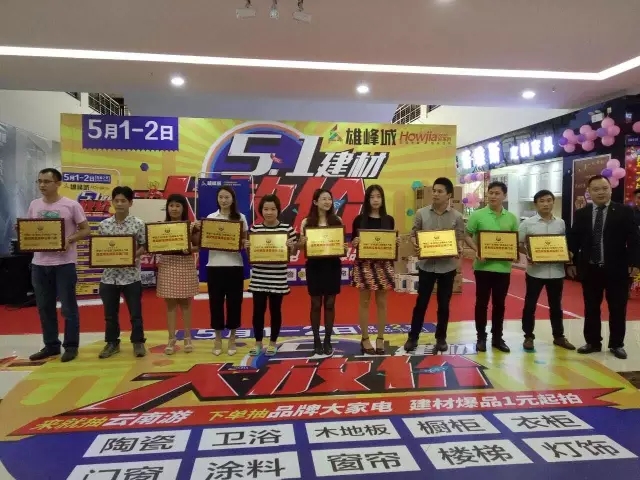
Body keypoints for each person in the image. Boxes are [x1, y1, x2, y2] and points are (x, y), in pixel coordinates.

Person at [567, 175, 640, 359]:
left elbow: (634, 240)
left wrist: (635, 263)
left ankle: (617, 344)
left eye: (604, 188)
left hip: (617, 270)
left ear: (611, 189)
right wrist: (570, 262)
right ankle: (593, 342)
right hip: (590, 269)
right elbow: (574, 240)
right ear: (589, 192)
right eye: (596, 189)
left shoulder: (624, 212)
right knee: (591, 307)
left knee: (618, 308)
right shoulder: (582, 214)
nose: (601, 192)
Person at [27, 168, 91, 362]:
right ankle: (51, 345)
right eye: (39, 181)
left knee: (68, 308)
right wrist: (22, 232)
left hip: (64, 264)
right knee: (44, 307)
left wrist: (69, 239)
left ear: (58, 183)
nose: (42, 185)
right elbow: (31, 228)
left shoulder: (71, 205)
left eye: (46, 181)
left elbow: (85, 230)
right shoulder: (34, 204)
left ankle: (71, 346)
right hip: (39, 264)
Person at [404, 177, 464, 353]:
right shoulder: (421, 213)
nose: (435, 194)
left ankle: (441, 338)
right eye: (434, 191)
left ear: (449, 195)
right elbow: (413, 234)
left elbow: (459, 238)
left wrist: (459, 248)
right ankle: (413, 337)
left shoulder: (457, 216)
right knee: (421, 303)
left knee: (444, 305)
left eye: (440, 191)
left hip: (448, 267)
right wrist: (416, 243)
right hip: (426, 266)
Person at [465, 181, 519, 353]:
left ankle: (497, 338)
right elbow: (467, 235)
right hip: (482, 267)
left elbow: (514, 240)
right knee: (481, 304)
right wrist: (477, 250)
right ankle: (481, 338)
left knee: (499, 304)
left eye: (497, 193)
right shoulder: (477, 215)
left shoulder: (511, 218)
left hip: (503, 268)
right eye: (491, 193)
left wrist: (513, 252)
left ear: (504, 196)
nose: (493, 196)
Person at [519, 189, 574, 351]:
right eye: (542, 201)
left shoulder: (561, 223)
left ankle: (559, 336)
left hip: (556, 272)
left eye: (549, 200)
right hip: (535, 272)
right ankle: (528, 336)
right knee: (530, 305)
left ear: (553, 203)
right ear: (536, 204)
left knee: (556, 306)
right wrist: (528, 254)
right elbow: (519, 244)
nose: (546, 204)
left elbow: (563, 244)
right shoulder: (527, 224)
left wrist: (567, 255)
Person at [197, 186, 248, 356]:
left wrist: (244, 244)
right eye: (221, 197)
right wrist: (198, 229)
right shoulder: (211, 218)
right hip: (215, 266)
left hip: (235, 266)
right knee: (215, 304)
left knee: (235, 303)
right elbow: (203, 241)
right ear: (217, 199)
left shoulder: (241, 218)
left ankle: (232, 338)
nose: (224, 200)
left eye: (227, 197)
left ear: (233, 199)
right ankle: (217, 338)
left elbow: (245, 241)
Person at [97, 186, 147, 359]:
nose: (119, 204)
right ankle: (112, 343)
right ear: (112, 202)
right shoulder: (104, 225)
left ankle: (138, 342)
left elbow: (144, 245)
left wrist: (133, 255)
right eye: (116, 200)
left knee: (135, 313)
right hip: (109, 277)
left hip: (131, 276)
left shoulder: (138, 224)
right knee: (110, 315)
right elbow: (99, 249)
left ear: (130, 203)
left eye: (123, 201)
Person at [246, 194, 298, 356]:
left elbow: (294, 252)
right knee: (258, 312)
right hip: (259, 278)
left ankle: (273, 342)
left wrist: (291, 246)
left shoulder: (287, 229)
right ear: (261, 210)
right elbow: (250, 256)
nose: (269, 212)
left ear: (278, 210)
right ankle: (258, 342)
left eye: (273, 209)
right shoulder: (254, 230)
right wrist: (248, 247)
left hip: (278, 278)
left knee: (275, 311)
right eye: (266, 209)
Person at [298, 188, 346, 356]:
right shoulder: (306, 222)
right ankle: (316, 340)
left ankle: (327, 339)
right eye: (323, 199)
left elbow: (340, 244)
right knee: (316, 303)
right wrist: (302, 242)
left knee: (330, 303)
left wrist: (343, 247)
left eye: (329, 199)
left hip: (332, 265)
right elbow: (300, 247)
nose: (327, 202)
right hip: (315, 266)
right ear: (315, 202)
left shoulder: (337, 220)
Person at [351, 185, 397, 355]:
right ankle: (364, 337)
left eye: (378, 196)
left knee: (382, 303)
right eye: (372, 197)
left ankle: (380, 337)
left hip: (384, 266)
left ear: (382, 199)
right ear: (367, 199)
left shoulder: (389, 220)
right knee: (364, 302)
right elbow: (353, 242)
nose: (376, 200)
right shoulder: (359, 220)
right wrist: (355, 242)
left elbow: (390, 242)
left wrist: (395, 243)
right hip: (364, 265)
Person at [156, 194, 199, 355]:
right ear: (167, 208)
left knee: (186, 304)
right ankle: (171, 339)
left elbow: (199, 246)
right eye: (171, 205)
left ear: (183, 208)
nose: (174, 209)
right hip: (167, 265)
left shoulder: (191, 226)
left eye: (178, 205)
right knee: (171, 305)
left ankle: (187, 337)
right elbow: (153, 245)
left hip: (185, 265)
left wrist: (190, 249)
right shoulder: (159, 227)